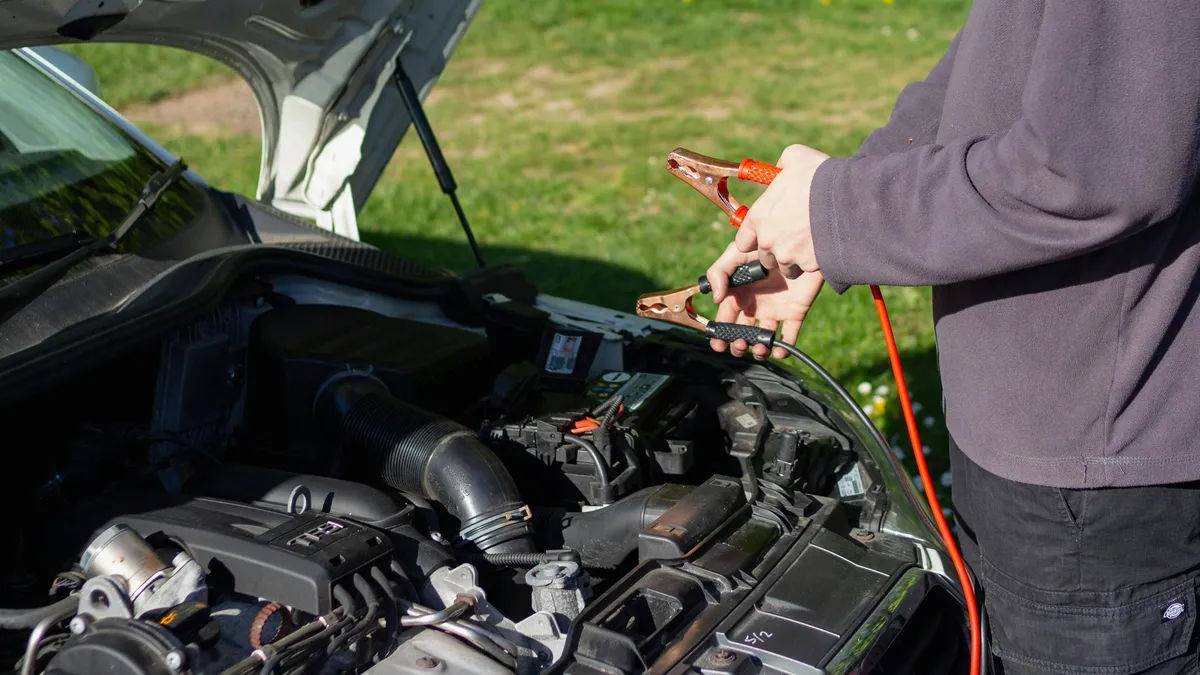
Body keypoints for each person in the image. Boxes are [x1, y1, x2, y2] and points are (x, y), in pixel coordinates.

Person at [702, 2, 1200, 673]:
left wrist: (843, 210)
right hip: (1019, 438)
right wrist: (842, 206)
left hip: (1099, 471)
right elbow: (995, 59)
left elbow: (1090, 173)